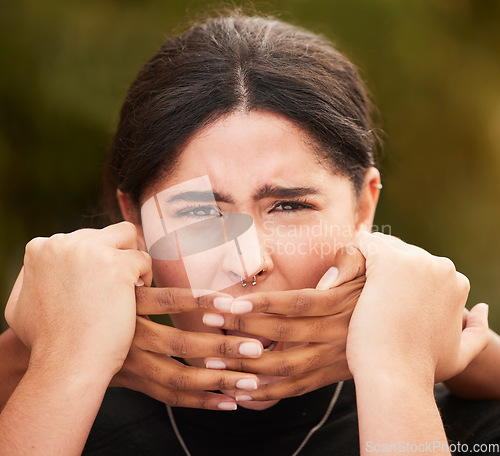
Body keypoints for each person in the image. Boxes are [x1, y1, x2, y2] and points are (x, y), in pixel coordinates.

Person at [1, 12, 500, 456]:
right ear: (134, 221)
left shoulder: (467, 430)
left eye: (288, 205)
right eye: (199, 214)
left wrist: (399, 375)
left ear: (364, 206)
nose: (247, 263)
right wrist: (56, 365)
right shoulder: (47, 411)